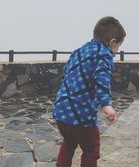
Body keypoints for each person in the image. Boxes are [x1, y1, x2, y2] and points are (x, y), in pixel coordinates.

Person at [53, 16, 126, 167]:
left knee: (69, 142)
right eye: (118, 46)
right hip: (82, 116)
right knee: (91, 150)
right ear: (113, 42)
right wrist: (106, 104)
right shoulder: (103, 54)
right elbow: (101, 79)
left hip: (61, 112)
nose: (116, 51)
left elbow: (65, 72)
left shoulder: (79, 51)